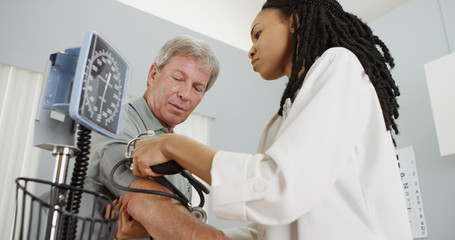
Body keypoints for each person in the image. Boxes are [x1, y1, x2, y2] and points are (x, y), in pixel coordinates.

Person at [124, 0, 413, 239]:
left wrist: (174, 146)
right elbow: (269, 227)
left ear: (294, 21)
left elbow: (277, 188)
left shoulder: (340, 64)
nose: (250, 49)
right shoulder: (281, 118)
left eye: (257, 34)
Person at [83, 35, 220, 239]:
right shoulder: (114, 122)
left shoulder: (177, 153)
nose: (185, 94)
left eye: (197, 88)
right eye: (178, 79)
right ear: (153, 74)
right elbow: (117, 168)